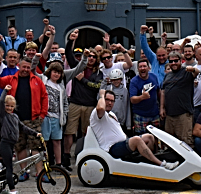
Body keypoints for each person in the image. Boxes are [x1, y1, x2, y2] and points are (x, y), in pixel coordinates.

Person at [32, 34, 89, 171]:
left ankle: (58, 165)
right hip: (45, 117)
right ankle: (44, 164)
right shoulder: (42, 79)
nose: (56, 74)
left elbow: (78, 69)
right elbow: (32, 70)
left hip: (57, 117)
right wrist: (36, 59)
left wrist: (85, 58)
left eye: (58, 71)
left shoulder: (63, 80)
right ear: (49, 70)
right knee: (44, 142)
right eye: (54, 71)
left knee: (57, 141)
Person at [91, 90, 179, 170]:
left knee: (149, 137)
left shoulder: (111, 114)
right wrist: (102, 95)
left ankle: (150, 163)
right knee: (136, 140)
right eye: (107, 100)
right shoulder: (97, 114)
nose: (109, 103)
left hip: (122, 144)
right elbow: (101, 108)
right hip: (111, 148)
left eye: (112, 101)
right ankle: (162, 165)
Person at [0, 57, 48, 181]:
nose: (26, 70)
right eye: (24, 67)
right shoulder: (11, 79)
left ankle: (40, 173)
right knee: (20, 146)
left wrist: (42, 114)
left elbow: (44, 96)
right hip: (15, 120)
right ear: (19, 66)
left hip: (33, 119)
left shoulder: (37, 80)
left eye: (28, 67)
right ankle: (24, 171)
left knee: (36, 146)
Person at [62, 35, 102, 172]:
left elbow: (96, 86)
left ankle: (83, 154)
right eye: (89, 56)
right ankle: (66, 156)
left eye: (93, 57)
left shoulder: (99, 73)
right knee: (69, 131)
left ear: (97, 59)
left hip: (90, 105)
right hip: (75, 102)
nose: (91, 58)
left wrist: (82, 81)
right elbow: (68, 54)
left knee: (87, 132)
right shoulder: (79, 67)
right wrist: (72, 40)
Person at [0, 87, 41, 194]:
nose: (9, 108)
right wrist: (5, 91)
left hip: (11, 144)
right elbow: (1, 101)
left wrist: (35, 133)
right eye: (7, 105)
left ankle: (3, 187)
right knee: (9, 168)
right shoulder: (3, 116)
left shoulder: (15, 117)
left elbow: (24, 128)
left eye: (11, 106)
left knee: (6, 167)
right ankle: (12, 189)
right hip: (5, 143)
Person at [160, 51, 199, 146]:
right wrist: (162, 108)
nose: (173, 63)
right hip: (169, 114)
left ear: (181, 61)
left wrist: (193, 69)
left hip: (183, 113)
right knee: (169, 143)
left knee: (186, 142)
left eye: (176, 61)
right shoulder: (168, 75)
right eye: (171, 61)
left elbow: (197, 73)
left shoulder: (186, 72)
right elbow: (163, 92)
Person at [130, 60, 160, 134]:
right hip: (140, 115)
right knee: (142, 138)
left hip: (155, 114)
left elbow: (159, 92)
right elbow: (132, 99)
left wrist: (161, 108)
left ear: (148, 68)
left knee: (156, 137)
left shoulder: (154, 77)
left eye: (144, 66)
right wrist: (142, 97)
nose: (142, 68)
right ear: (138, 69)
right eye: (140, 67)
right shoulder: (134, 81)